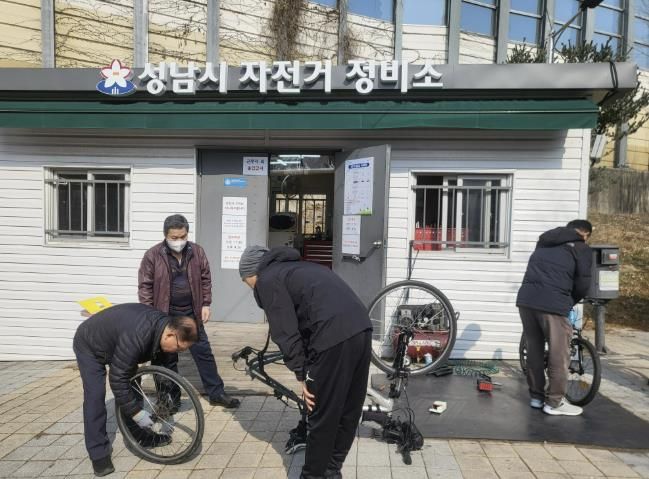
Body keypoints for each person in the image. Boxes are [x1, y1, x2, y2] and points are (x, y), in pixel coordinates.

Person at [238, 245, 372, 479]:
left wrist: (302, 373)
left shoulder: (267, 279)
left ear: (251, 273)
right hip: (361, 327)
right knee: (348, 410)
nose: (249, 287)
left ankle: (313, 476)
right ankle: (331, 471)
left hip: (332, 335)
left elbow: (285, 332)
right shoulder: (300, 268)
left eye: (245, 281)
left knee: (321, 414)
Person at [73, 303, 198, 477]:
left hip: (119, 342)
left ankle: (140, 436)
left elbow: (162, 367)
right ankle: (98, 453)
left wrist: (166, 395)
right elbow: (117, 379)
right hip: (90, 344)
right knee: (95, 396)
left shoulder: (164, 328)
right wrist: (137, 413)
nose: (179, 352)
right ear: (170, 334)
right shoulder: (138, 336)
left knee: (133, 386)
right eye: (179, 348)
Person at [138, 214, 240, 408]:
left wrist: (206, 304)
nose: (179, 241)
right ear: (166, 236)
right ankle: (169, 400)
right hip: (164, 314)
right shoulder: (153, 255)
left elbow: (205, 279)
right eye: (174, 237)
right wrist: (151, 315)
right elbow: (145, 286)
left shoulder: (197, 252)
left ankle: (216, 393)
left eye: (183, 236)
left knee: (203, 353)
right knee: (165, 357)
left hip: (191, 312)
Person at [516, 219, 593, 416]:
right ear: (585, 234)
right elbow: (583, 284)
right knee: (559, 354)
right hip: (553, 304)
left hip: (526, 301)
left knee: (534, 350)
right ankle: (554, 402)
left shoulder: (544, 242)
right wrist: (569, 301)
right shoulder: (581, 248)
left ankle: (536, 397)